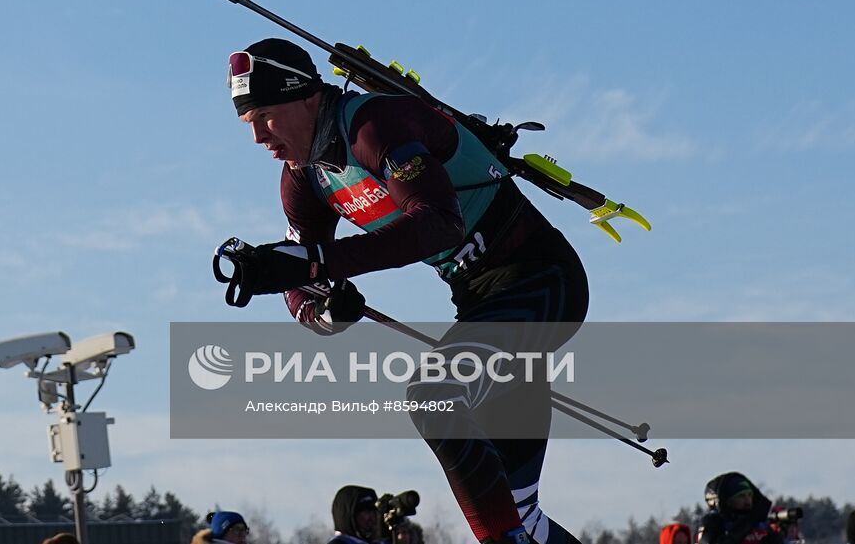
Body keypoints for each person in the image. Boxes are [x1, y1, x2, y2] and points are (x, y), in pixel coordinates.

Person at [221, 39, 589, 544]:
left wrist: (318, 262)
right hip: (481, 304)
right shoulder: (303, 181)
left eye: (265, 116)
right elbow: (301, 286)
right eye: (249, 124)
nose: (260, 136)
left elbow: (438, 224)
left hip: (542, 281)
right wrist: (329, 311)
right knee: (522, 513)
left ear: (305, 96)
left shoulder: (373, 126)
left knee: (433, 392)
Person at [697, 473, 783, 544]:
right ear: (728, 500)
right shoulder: (714, 521)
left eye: (749, 495)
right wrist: (744, 527)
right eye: (741, 496)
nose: (747, 500)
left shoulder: (761, 523)